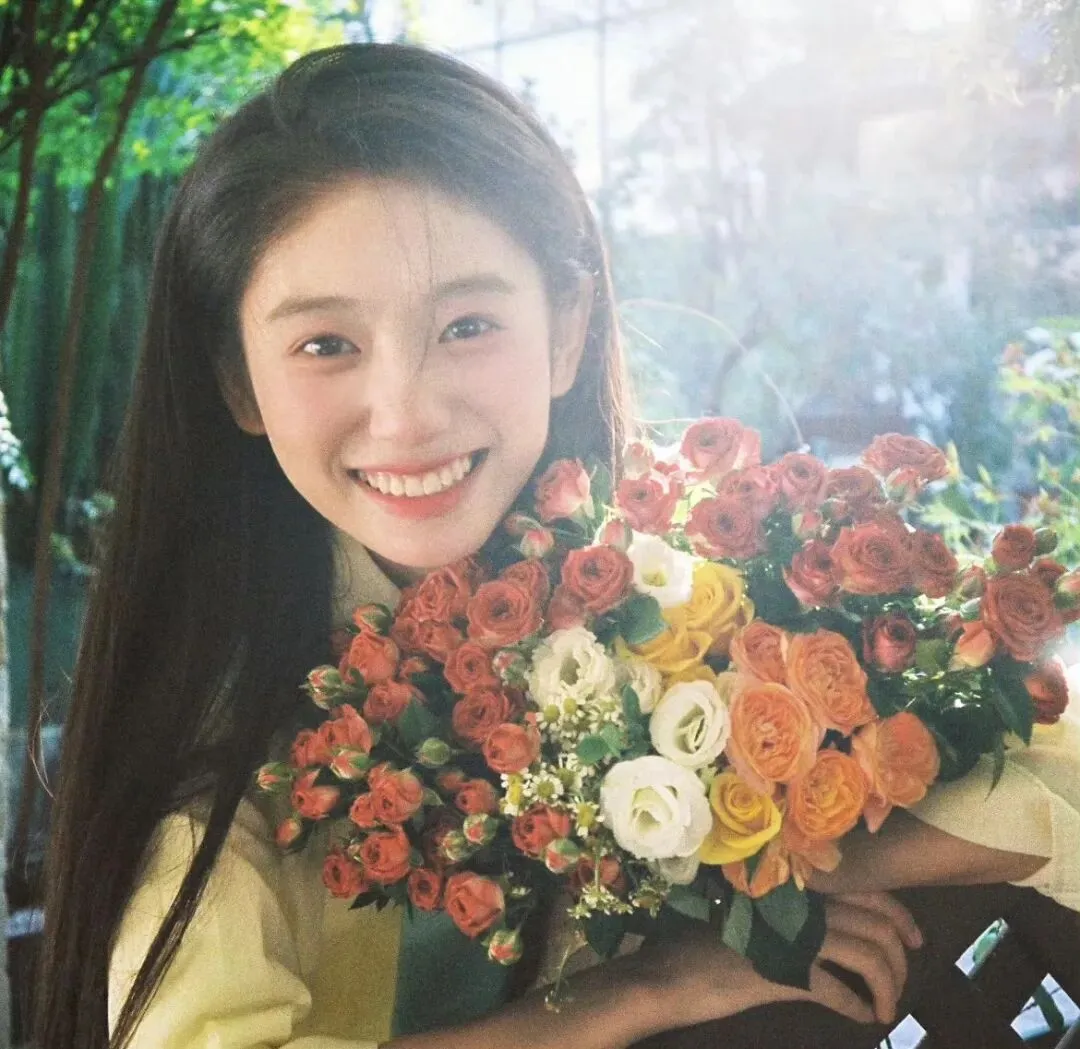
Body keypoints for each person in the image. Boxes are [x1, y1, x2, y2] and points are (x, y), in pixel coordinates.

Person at [31, 42, 1070, 1049]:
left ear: (566, 328)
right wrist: (637, 991)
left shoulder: (692, 602)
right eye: (326, 344)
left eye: (466, 325)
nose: (407, 414)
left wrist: (772, 859)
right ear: (236, 379)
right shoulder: (221, 744)